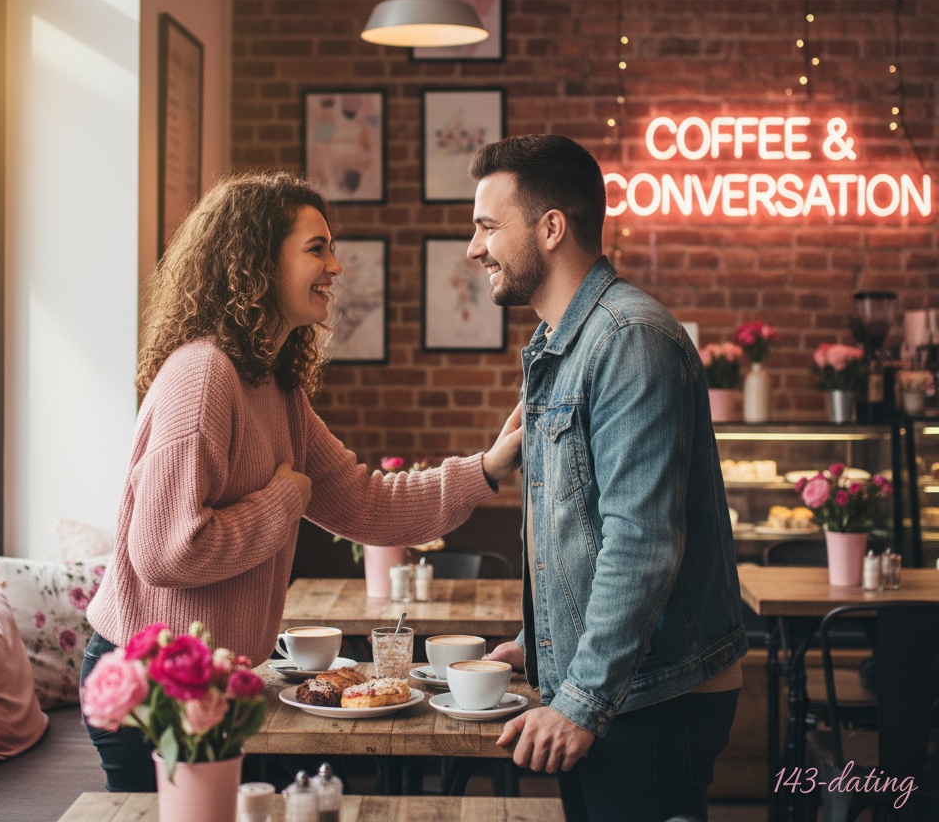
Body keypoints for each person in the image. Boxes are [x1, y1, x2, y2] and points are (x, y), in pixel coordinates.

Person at [81, 169, 523, 791]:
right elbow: (164, 550)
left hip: (207, 684)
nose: (336, 267)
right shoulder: (204, 375)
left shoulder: (272, 386)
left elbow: (366, 503)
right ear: (256, 261)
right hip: (148, 684)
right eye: (316, 248)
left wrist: (484, 469)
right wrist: (283, 499)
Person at [466, 134, 746, 822]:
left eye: (487, 226)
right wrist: (541, 645)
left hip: (652, 699)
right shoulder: (568, 344)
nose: (475, 249)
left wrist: (583, 698)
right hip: (625, 685)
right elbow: (580, 529)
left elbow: (640, 544)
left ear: (551, 227)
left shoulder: (627, 338)